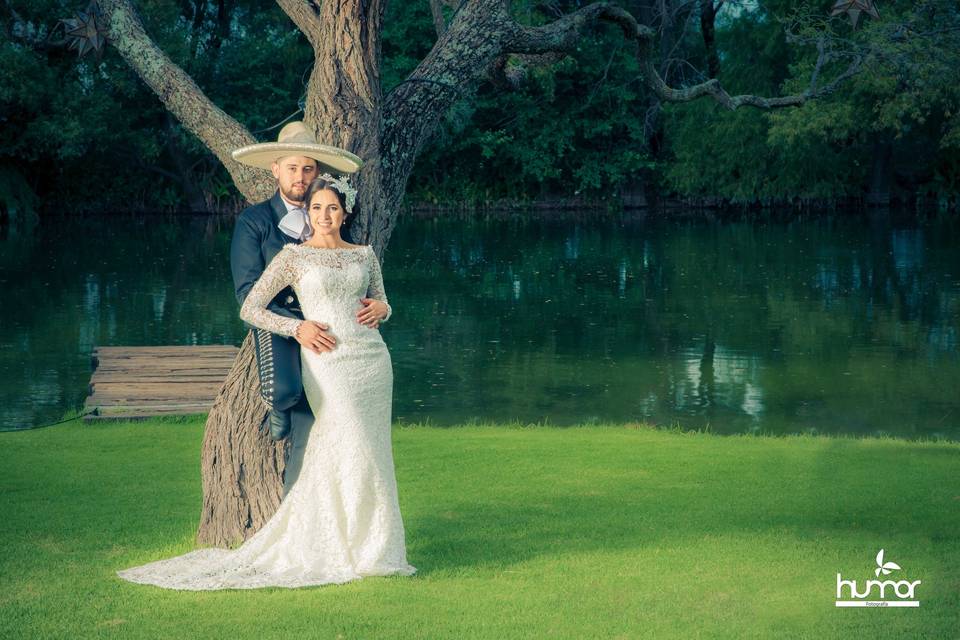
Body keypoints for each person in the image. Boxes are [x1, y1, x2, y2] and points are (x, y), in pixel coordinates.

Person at [116, 175, 416, 589]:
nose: (324, 216)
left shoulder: (364, 255)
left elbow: (382, 301)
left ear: (345, 212)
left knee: (372, 448)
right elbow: (251, 308)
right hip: (326, 360)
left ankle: (374, 548)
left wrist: (384, 308)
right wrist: (297, 329)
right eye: (316, 208)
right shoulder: (294, 256)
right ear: (307, 214)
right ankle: (335, 542)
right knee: (351, 441)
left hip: (372, 361)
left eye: (332, 208)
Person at [228, 120, 371, 441]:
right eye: (292, 168)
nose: (300, 177)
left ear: (317, 171)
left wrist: (373, 305)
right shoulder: (254, 222)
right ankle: (280, 406)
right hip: (278, 317)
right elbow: (247, 293)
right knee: (285, 390)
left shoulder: (331, 213)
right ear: (276, 169)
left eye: (308, 169)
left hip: (328, 316)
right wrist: (296, 327)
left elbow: (346, 268)